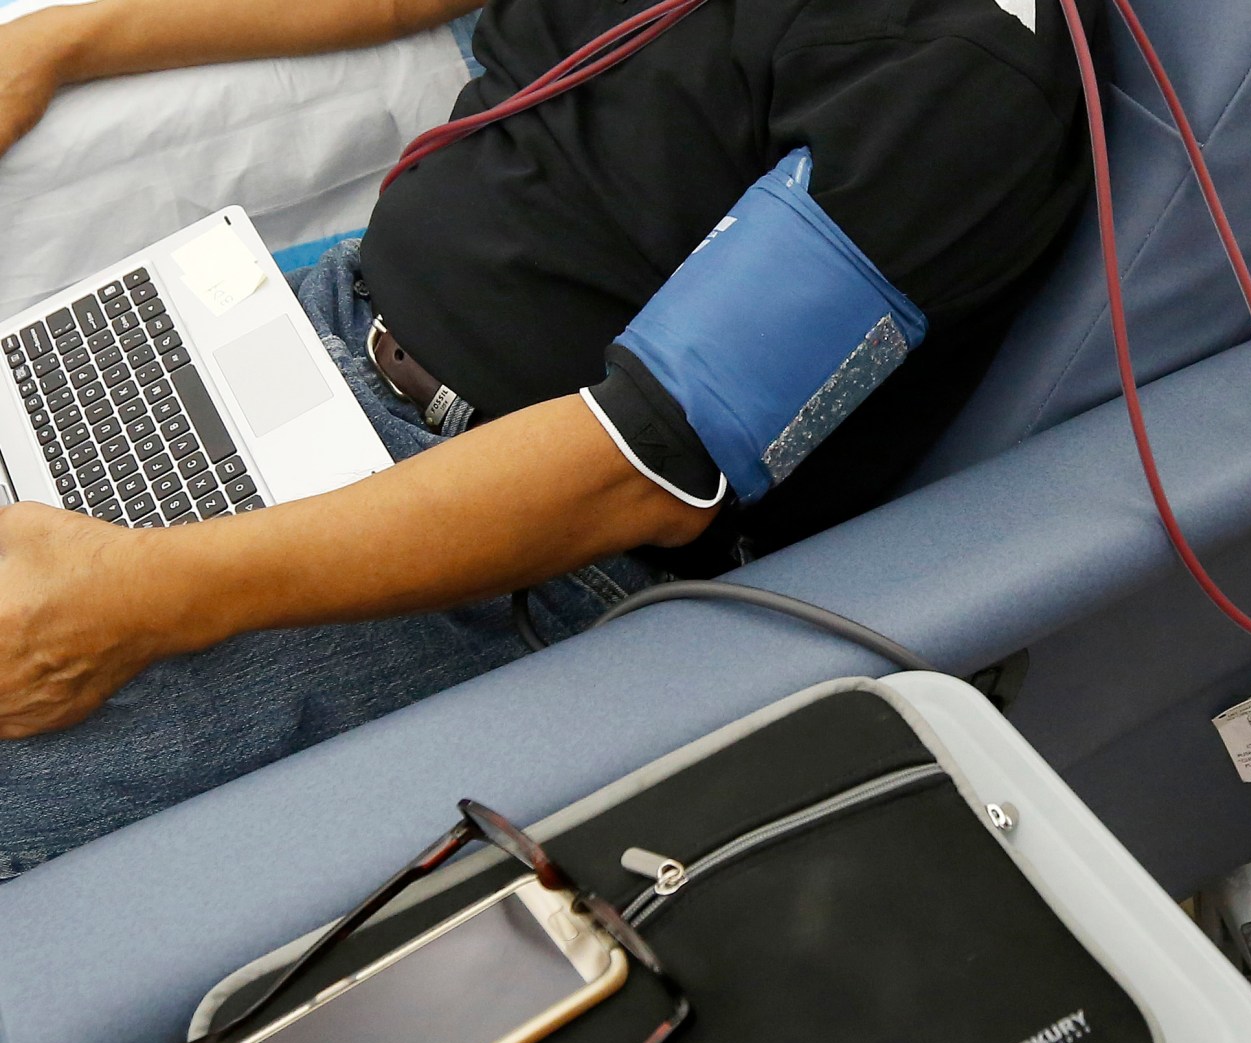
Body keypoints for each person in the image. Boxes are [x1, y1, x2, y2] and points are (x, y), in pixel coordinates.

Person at [0, 0, 1099, 879]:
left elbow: (640, 472)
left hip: (524, 546)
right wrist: (62, 40)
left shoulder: (958, 73)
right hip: (315, 320)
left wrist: (148, 594)